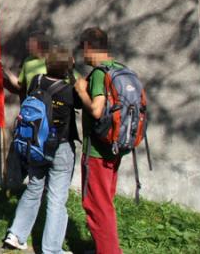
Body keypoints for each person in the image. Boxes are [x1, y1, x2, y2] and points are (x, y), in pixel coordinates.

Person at [3, 47, 78, 253]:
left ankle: (16, 235)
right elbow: (82, 102)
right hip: (60, 147)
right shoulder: (68, 90)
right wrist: (72, 72)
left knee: (34, 188)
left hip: (35, 145)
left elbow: (23, 88)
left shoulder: (36, 80)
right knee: (56, 199)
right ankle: (51, 249)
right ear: (68, 67)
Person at [74, 27, 126, 254]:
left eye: (82, 49)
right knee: (106, 200)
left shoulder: (98, 73)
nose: (82, 55)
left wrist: (81, 91)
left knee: (96, 205)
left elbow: (96, 110)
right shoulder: (121, 69)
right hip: (115, 147)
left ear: (88, 47)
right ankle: (102, 248)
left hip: (96, 151)